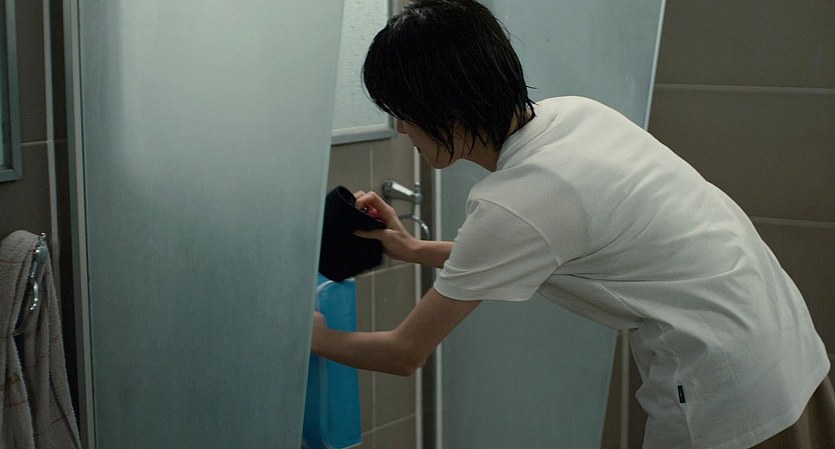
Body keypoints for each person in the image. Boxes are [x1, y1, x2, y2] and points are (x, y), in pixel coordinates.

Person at [311, 1, 834, 448]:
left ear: (445, 114)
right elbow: (534, 243)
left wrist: (312, 337)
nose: (401, 129)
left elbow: (404, 352)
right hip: (786, 343)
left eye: (403, 112)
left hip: (728, 389)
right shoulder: (575, 116)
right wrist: (412, 248)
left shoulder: (517, 201)